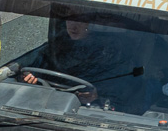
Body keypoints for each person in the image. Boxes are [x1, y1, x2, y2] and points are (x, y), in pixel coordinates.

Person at [19, 13, 150, 112]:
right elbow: (36, 68)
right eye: (70, 20)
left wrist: (98, 95)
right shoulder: (55, 46)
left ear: (89, 24)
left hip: (89, 111)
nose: (73, 26)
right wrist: (28, 78)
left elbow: (123, 85)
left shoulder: (112, 51)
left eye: (80, 21)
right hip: (49, 106)